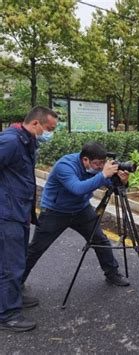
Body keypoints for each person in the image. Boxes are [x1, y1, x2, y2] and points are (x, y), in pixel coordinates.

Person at [22, 142, 131, 290]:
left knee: (100, 239)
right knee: (36, 249)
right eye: (97, 163)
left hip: (81, 209)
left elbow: (112, 187)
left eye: (102, 163)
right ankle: (15, 285)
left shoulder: (97, 166)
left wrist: (123, 182)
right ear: (85, 160)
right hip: (55, 211)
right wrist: (104, 174)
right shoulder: (65, 166)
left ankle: (112, 273)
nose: (100, 167)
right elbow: (77, 188)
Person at [0, 106, 58, 332]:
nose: (49, 133)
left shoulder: (26, 141)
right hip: (8, 213)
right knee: (10, 265)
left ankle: (12, 299)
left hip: (20, 211)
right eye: (48, 128)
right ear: (36, 124)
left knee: (18, 259)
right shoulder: (11, 141)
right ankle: (7, 315)